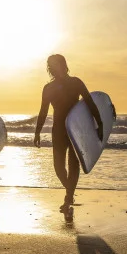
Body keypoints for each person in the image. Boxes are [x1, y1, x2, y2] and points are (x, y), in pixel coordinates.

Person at [34, 54, 102, 213]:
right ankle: (70, 191)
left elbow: (90, 103)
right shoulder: (48, 88)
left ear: (64, 65)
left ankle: (68, 196)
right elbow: (43, 112)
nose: (54, 67)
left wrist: (101, 124)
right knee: (58, 167)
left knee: (73, 163)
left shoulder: (76, 82)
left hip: (76, 129)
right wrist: (37, 132)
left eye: (57, 64)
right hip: (58, 129)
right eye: (51, 65)